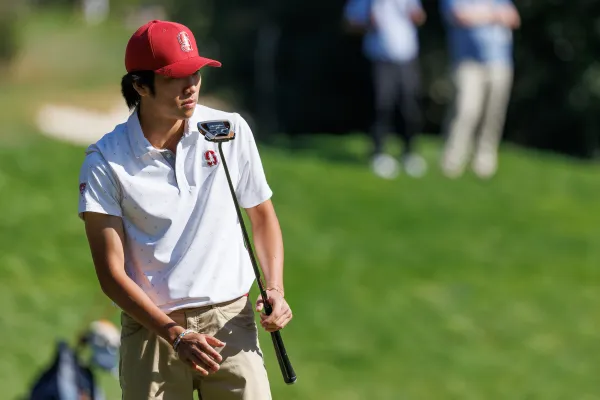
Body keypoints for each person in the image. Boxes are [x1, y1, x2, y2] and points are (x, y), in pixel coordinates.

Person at [77, 20, 292, 400]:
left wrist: (274, 287)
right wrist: (175, 335)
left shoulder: (229, 130)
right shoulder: (105, 161)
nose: (191, 85)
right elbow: (110, 274)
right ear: (141, 86)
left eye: (195, 72)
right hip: (153, 334)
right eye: (175, 76)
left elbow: (262, 215)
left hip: (231, 324)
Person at [344, 0, 428, 179]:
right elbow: (349, 23)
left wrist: (416, 17)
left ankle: (409, 152)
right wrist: (368, 21)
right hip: (380, 58)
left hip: (407, 57)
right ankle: (378, 153)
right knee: (381, 105)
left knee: (410, 106)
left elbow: (420, 17)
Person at [440, 0, 520, 179]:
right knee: (466, 111)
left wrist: (480, 15)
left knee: (493, 114)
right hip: (467, 63)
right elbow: (460, 17)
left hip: (499, 62)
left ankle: (484, 161)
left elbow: (514, 18)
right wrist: (494, 15)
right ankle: (452, 160)